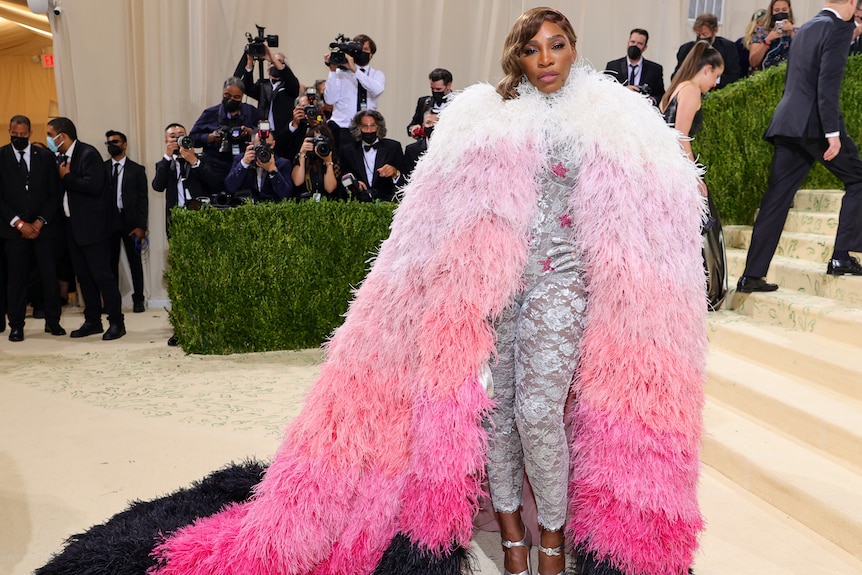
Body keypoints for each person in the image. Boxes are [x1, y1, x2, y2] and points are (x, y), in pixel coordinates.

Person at [147, 7, 706, 575]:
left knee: (539, 410)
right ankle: (514, 536)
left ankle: (554, 542)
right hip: (493, 285)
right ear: (517, 55)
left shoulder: (613, 115)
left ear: (573, 47)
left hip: (564, 281)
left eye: (557, 46)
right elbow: (433, 207)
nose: (545, 60)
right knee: (498, 412)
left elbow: (659, 204)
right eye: (533, 49)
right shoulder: (484, 113)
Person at [739, 0, 862, 293]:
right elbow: (827, 84)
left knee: (775, 201)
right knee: (858, 178)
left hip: (788, 123)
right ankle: (842, 257)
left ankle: (751, 276)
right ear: (851, 2)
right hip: (815, 125)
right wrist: (832, 132)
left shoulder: (806, 27)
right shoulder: (837, 27)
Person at [661, 42, 728, 310]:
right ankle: (704, 295)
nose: (715, 83)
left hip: (666, 170)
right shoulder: (691, 91)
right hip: (678, 172)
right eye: (716, 76)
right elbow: (681, 138)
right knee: (704, 231)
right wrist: (695, 178)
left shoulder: (675, 88)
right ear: (707, 69)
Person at [48, 117, 126, 340]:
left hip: (93, 228)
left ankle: (116, 322)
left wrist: (67, 177)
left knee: (103, 276)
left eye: (50, 134)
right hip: (72, 226)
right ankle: (92, 321)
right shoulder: (60, 157)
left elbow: (93, 186)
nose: (49, 139)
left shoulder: (87, 153)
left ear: (61, 136)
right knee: (83, 277)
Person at [152, 123, 220, 346]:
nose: (178, 139)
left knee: (203, 277)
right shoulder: (165, 163)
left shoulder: (201, 159)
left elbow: (215, 184)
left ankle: (206, 326)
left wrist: (193, 161)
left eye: (181, 135)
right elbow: (157, 186)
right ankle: (181, 327)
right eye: (172, 137)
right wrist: (167, 157)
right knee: (181, 280)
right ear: (166, 141)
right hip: (177, 225)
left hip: (200, 224)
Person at [0, 115, 65, 341]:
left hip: (43, 229)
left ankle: (53, 321)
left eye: (22, 134)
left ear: (29, 133)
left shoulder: (45, 157)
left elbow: (54, 194)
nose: (18, 138)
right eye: (14, 134)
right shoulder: (1, 156)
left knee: (48, 276)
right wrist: (19, 223)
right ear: (10, 131)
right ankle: (16, 325)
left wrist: (39, 222)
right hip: (13, 231)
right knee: (16, 279)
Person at [104, 130, 148, 313]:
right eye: (108, 143)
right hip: (109, 222)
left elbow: (143, 200)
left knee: (135, 262)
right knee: (109, 263)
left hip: (130, 223)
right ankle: (112, 302)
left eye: (115, 141)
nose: (112, 144)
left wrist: (141, 226)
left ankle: (138, 299)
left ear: (125, 144)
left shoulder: (137, 170)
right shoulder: (102, 168)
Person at [189, 77, 260, 188]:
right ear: (222, 93)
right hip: (215, 165)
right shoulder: (210, 113)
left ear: (242, 97)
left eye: (236, 97)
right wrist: (211, 137)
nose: (231, 99)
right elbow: (192, 138)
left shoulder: (251, 112)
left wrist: (250, 133)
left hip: (243, 165)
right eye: (227, 95)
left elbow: (265, 135)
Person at [323, 34, 385, 150]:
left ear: (371, 55)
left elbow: (376, 90)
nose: (362, 52)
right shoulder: (340, 73)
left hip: (366, 129)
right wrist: (332, 71)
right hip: (342, 127)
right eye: (359, 49)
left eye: (365, 50)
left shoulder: (376, 74)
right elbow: (329, 100)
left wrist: (355, 70)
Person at [338, 110, 405, 202]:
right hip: (358, 204)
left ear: (378, 128)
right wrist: (353, 185)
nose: (369, 130)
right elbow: (342, 179)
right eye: (365, 126)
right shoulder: (348, 151)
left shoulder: (393, 147)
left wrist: (395, 173)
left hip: (387, 203)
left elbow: (405, 179)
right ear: (358, 128)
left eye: (372, 126)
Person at [234, 43, 300, 135]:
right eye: (271, 63)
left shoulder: (289, 86)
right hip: (264, 131)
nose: (274, 64)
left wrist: (272, 58)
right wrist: (249, 62)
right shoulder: (263, 85)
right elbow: (247, 88)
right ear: (268, 69)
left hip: (283, 131)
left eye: (278, 62)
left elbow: (292, 81)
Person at [224, 123, 294, 202]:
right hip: (246, 208)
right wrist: (244, 164)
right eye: (259, 147)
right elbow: (230, 188)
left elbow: (286, 196)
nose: (263, 151)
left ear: (273, 144)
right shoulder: (241, 159)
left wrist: (273, 171)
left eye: (268, 146)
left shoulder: (282, 163)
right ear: (251, 144)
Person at [673, 13, 741, 89]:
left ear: (715, 30)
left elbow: (734, 77)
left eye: (705, 34)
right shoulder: (686, 49)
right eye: (698, 35)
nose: (701, 38)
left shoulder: (728, 48)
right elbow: (675, 76)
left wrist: (713, 78)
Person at [604, 28, 665, 106]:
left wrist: (651, 100)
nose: (635, 46)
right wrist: (623, 91)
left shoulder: (655, 69)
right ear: (628, 43)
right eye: (632, 42)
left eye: (639, 43)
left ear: (645, 47)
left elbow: (661, 95)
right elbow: (605, 90)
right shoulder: (613, 66)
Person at [291, 121, 342, 201]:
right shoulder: (303, 158)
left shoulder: (334, 159)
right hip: (304, 202)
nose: (319, 145)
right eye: (316, 141)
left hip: (326, 203)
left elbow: (330, 188)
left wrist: (328, 161)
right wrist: (302, 153)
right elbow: (297, 182)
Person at [406, 68, 454, 138]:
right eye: (432, 89)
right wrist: (413, 129)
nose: (435, 92)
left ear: (448, 85)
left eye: (438, 89)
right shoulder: (424, 102)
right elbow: (411, 126)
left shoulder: (458, 104)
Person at [749, 0, 797, 70]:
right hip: (767, 75)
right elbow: (753, 62)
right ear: (771, 12)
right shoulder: (762, 33)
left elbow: (806, 55)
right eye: (777, 10)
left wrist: (792, 33)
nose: (781, 13)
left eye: (784, 10)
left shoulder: (798, 32)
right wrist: (768, 40)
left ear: (789, 10)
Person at [403, 110, 438, 179]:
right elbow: (408, 177)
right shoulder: (412, 150)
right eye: (428, 123)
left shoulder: (450, 147)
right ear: (423, 126)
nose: (432, 126)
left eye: (436, 122)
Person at [736, 9, 768, 77]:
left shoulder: (774, 43)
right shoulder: (741, 44)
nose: (762, 28)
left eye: (765, 24)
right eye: (761, 24)